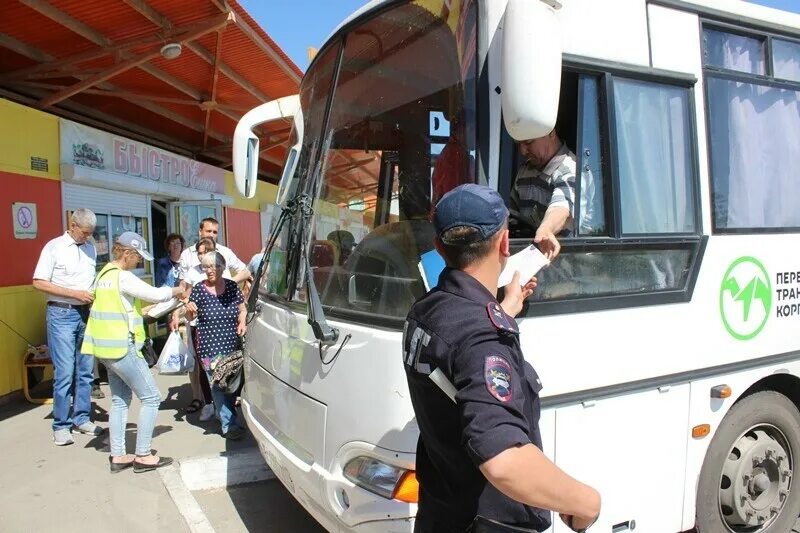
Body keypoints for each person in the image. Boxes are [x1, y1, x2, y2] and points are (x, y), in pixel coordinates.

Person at [403, 184, 601, 532]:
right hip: (485, 522)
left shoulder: (423, 311)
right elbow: (503, 460)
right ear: (506, 243)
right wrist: (586, 501)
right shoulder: (483, 337)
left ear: (439, 248)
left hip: (440, 513)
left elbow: (454, 360)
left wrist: (506, 307)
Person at [80, 232, 185, 473]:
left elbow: (122, 306)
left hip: (104, 349)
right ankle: (143, 455)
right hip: (122, 347)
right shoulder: (122, 277)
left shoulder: (103, 274)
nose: (139, 262)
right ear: (127, 253)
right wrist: (178, 290)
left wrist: (142, 309)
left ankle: (118, 456)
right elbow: (157, 293)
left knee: (119, 400)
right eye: (138, 257)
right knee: (151, 397)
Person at [32, 208, 103, 446]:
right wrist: (75, 294)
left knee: (85, 371)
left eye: (91, 233)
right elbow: (39, 282)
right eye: (85, 233)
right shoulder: (54, 247)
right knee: (64, 373)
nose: (88, 237)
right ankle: (61, 425)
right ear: (72, 225)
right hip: (61, 313)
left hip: (85, 313)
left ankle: (81, 417)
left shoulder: (91, 249)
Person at [184, 251, 247, 440]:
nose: (209, 271)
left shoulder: (231, 286)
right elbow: (190, 317)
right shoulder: (199, 289)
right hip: (209, 345)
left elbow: (242, 309)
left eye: (213, 266)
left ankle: (224, 415)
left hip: (231, 343)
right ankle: (229, 425)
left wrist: (242, 322)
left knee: (230, 384)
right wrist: (188, 310)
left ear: (222, 267)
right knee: (218, 385)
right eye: (205, 267)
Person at [511, 130, 595, 261]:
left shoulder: (572, 171)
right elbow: (513, 218)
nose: (522, 151)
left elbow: (561, 207)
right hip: (536, 262)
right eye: (519, 144)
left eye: (528, 142)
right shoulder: (525, 171)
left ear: (550, 133)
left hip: (571, 266)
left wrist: (546, 229)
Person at [172, 237, 217, 419]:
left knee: (220, 365)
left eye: (205, 252)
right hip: (197, 324)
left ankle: (223, 403)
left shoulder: (221, 271)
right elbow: (185, 295)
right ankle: (208, 403)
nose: (201, 256)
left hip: (218, 326)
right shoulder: (193, 273)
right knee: (203, 364)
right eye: (199, 252)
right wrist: (180, 310)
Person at [178, 217, 250, 285]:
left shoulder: (225, 252)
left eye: (215, 232)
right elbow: (183, 283)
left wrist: (228, 284)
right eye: (208, 231)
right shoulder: (187, 254)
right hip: (199, 296)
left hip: (223, 297)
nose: (211, 235)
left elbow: (245, 272)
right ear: (200, 232)